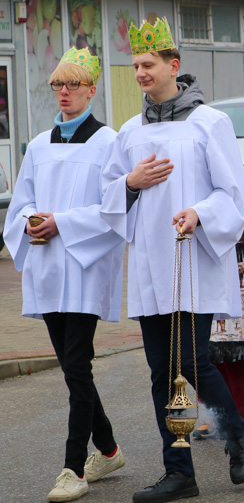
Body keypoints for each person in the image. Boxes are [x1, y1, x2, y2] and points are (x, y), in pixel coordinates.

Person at [100, 18, 244, 502]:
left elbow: (233, 192)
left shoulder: (209, 123)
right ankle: (180, 470)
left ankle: (236, 434)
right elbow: (107, 196)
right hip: (150, 264)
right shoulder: (128, 132)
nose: (141, 73)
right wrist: (131, 184)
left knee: (189, 364)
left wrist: (199, 212)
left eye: (148, 64)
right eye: (135, 66)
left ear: (174, 65)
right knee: (160, 372)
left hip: (192, 259)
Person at [3, 48, 126, 502]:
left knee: (76, 365)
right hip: (49, 266)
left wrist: (64, 223)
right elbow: (23, 203)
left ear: (92, 90)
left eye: (73, 85)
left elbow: (114, 208)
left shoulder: (109, 143)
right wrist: (33, 221)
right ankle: (109, 448)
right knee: (76, 369)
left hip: (85, 265)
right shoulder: (37, 145)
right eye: (58, 85)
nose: (64, 92)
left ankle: (73, 468)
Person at [193, 201, 244, 440]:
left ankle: (242, 413)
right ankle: (214, 412)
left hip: (231, 219)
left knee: (239, 341)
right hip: (197, 220)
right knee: (204, 342)